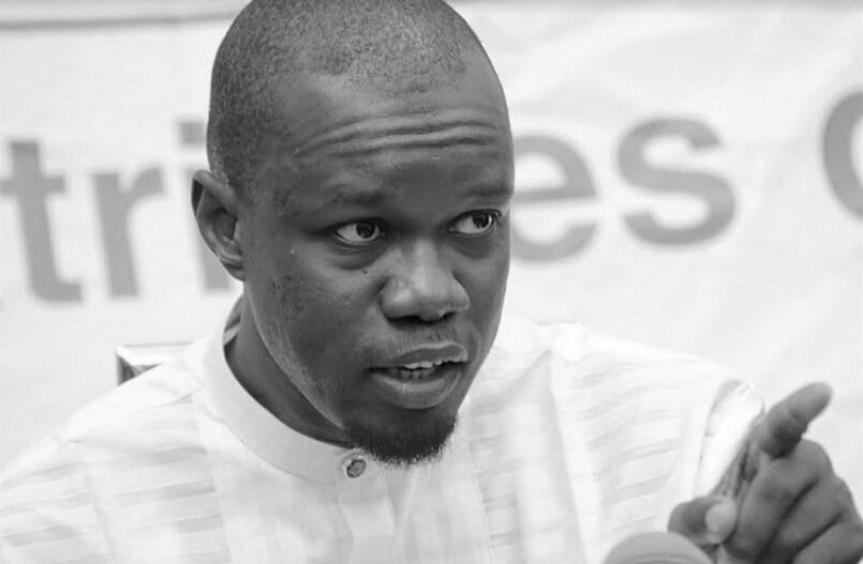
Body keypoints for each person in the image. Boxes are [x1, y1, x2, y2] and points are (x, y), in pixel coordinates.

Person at [2, 0, 861, 562]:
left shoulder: (681, 446)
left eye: (475, 221)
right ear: (227, 227)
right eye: (361, 231)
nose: (430, 293)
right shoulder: (57, 527)